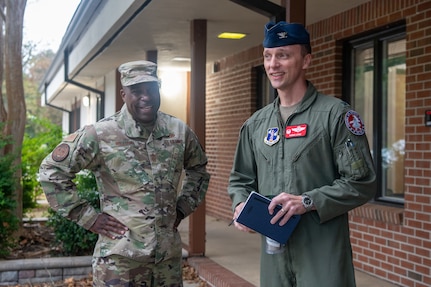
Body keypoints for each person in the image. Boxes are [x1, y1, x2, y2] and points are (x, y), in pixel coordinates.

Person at [227, 21, 376, 287]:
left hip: (322, 252)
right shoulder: (256, 124)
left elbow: (361, 182)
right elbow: (240, 178)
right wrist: (239, 205)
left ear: (306, 60)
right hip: (273, 255)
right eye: (268, 56)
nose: (273, 65)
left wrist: (308, 201)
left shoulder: (335, 115)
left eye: (283, 55)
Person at [39, 60, 210, 287]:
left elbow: (198, 169)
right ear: (123, 94)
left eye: (150, 89)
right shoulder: (100, 134)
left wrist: (181, 208)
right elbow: (52, 172)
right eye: (136, 91)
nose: (145, 97)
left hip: (166, 262)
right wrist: (89, 218)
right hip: (120, 262)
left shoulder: (178, 131)